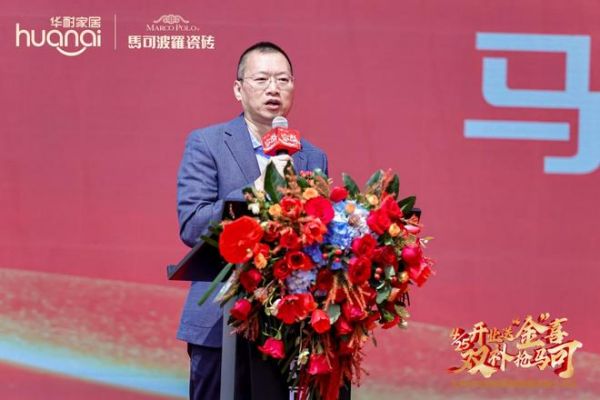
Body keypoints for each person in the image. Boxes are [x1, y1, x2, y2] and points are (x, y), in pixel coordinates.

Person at [176, 42, 329, 399]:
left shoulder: (312, 156)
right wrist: (256, 190)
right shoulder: (208, 143)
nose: (273, 88)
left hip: (290, 327)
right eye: (261, 79)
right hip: (221, 323)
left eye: (283, 80)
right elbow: (193, 225)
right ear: (238, 89)